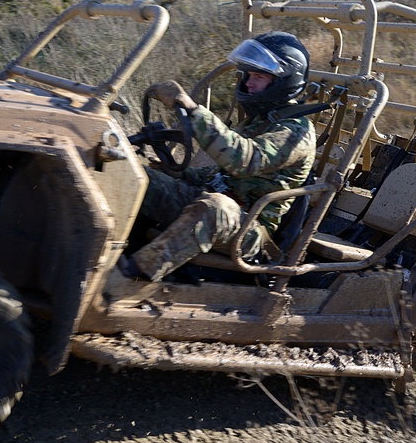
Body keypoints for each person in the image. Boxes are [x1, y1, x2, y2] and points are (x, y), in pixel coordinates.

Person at [121, 31, 317, 282]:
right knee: (139, 176)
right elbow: (218, 176)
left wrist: (192, 110)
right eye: (248, 75)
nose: (248, 83)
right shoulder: (259, 121)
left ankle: (127, 282)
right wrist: (174, 170)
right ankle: (107, 253)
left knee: (216, 209)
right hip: (219, 205)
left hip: (251, 231)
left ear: (283, 82)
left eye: (259, 77)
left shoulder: (296, 132)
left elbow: (243, 159)